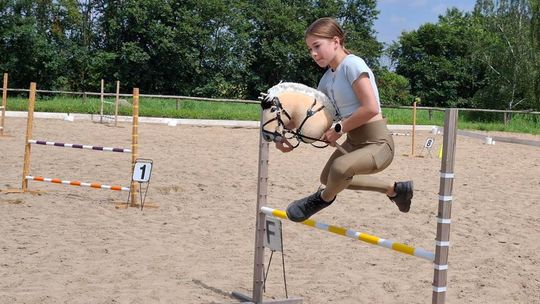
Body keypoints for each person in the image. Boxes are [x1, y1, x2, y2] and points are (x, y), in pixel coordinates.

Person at [279, 17, 413, 222]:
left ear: (335, 41)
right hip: (354, 142)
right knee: (328, 178)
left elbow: (371, 108)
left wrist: (338, 129)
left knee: (339, 170)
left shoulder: (353, 64)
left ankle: (321, 200)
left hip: (378, 144)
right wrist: (280, 133)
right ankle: (395, 190)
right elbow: (312, 115)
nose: (313, 54)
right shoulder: (326, 79)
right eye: (310, 49)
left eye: (317, 46)